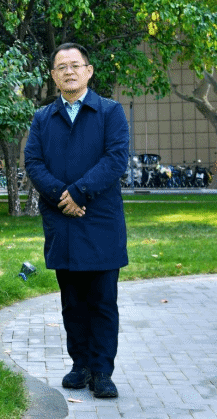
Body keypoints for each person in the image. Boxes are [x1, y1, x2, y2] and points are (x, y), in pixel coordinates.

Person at [24, 43, 129, 398]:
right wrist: (62, 197)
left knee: (102, 301)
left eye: (75, 65)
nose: (69, 71)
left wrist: (80, 193)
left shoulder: (110, 112)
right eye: (61, 67)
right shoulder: (43, 118)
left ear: (88, 71)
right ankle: (80, 365)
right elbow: (33, 162)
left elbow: (116, 159)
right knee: (72, 302)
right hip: (62, 221)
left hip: (100, 220)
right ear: (53, 76)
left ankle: (102, 371)